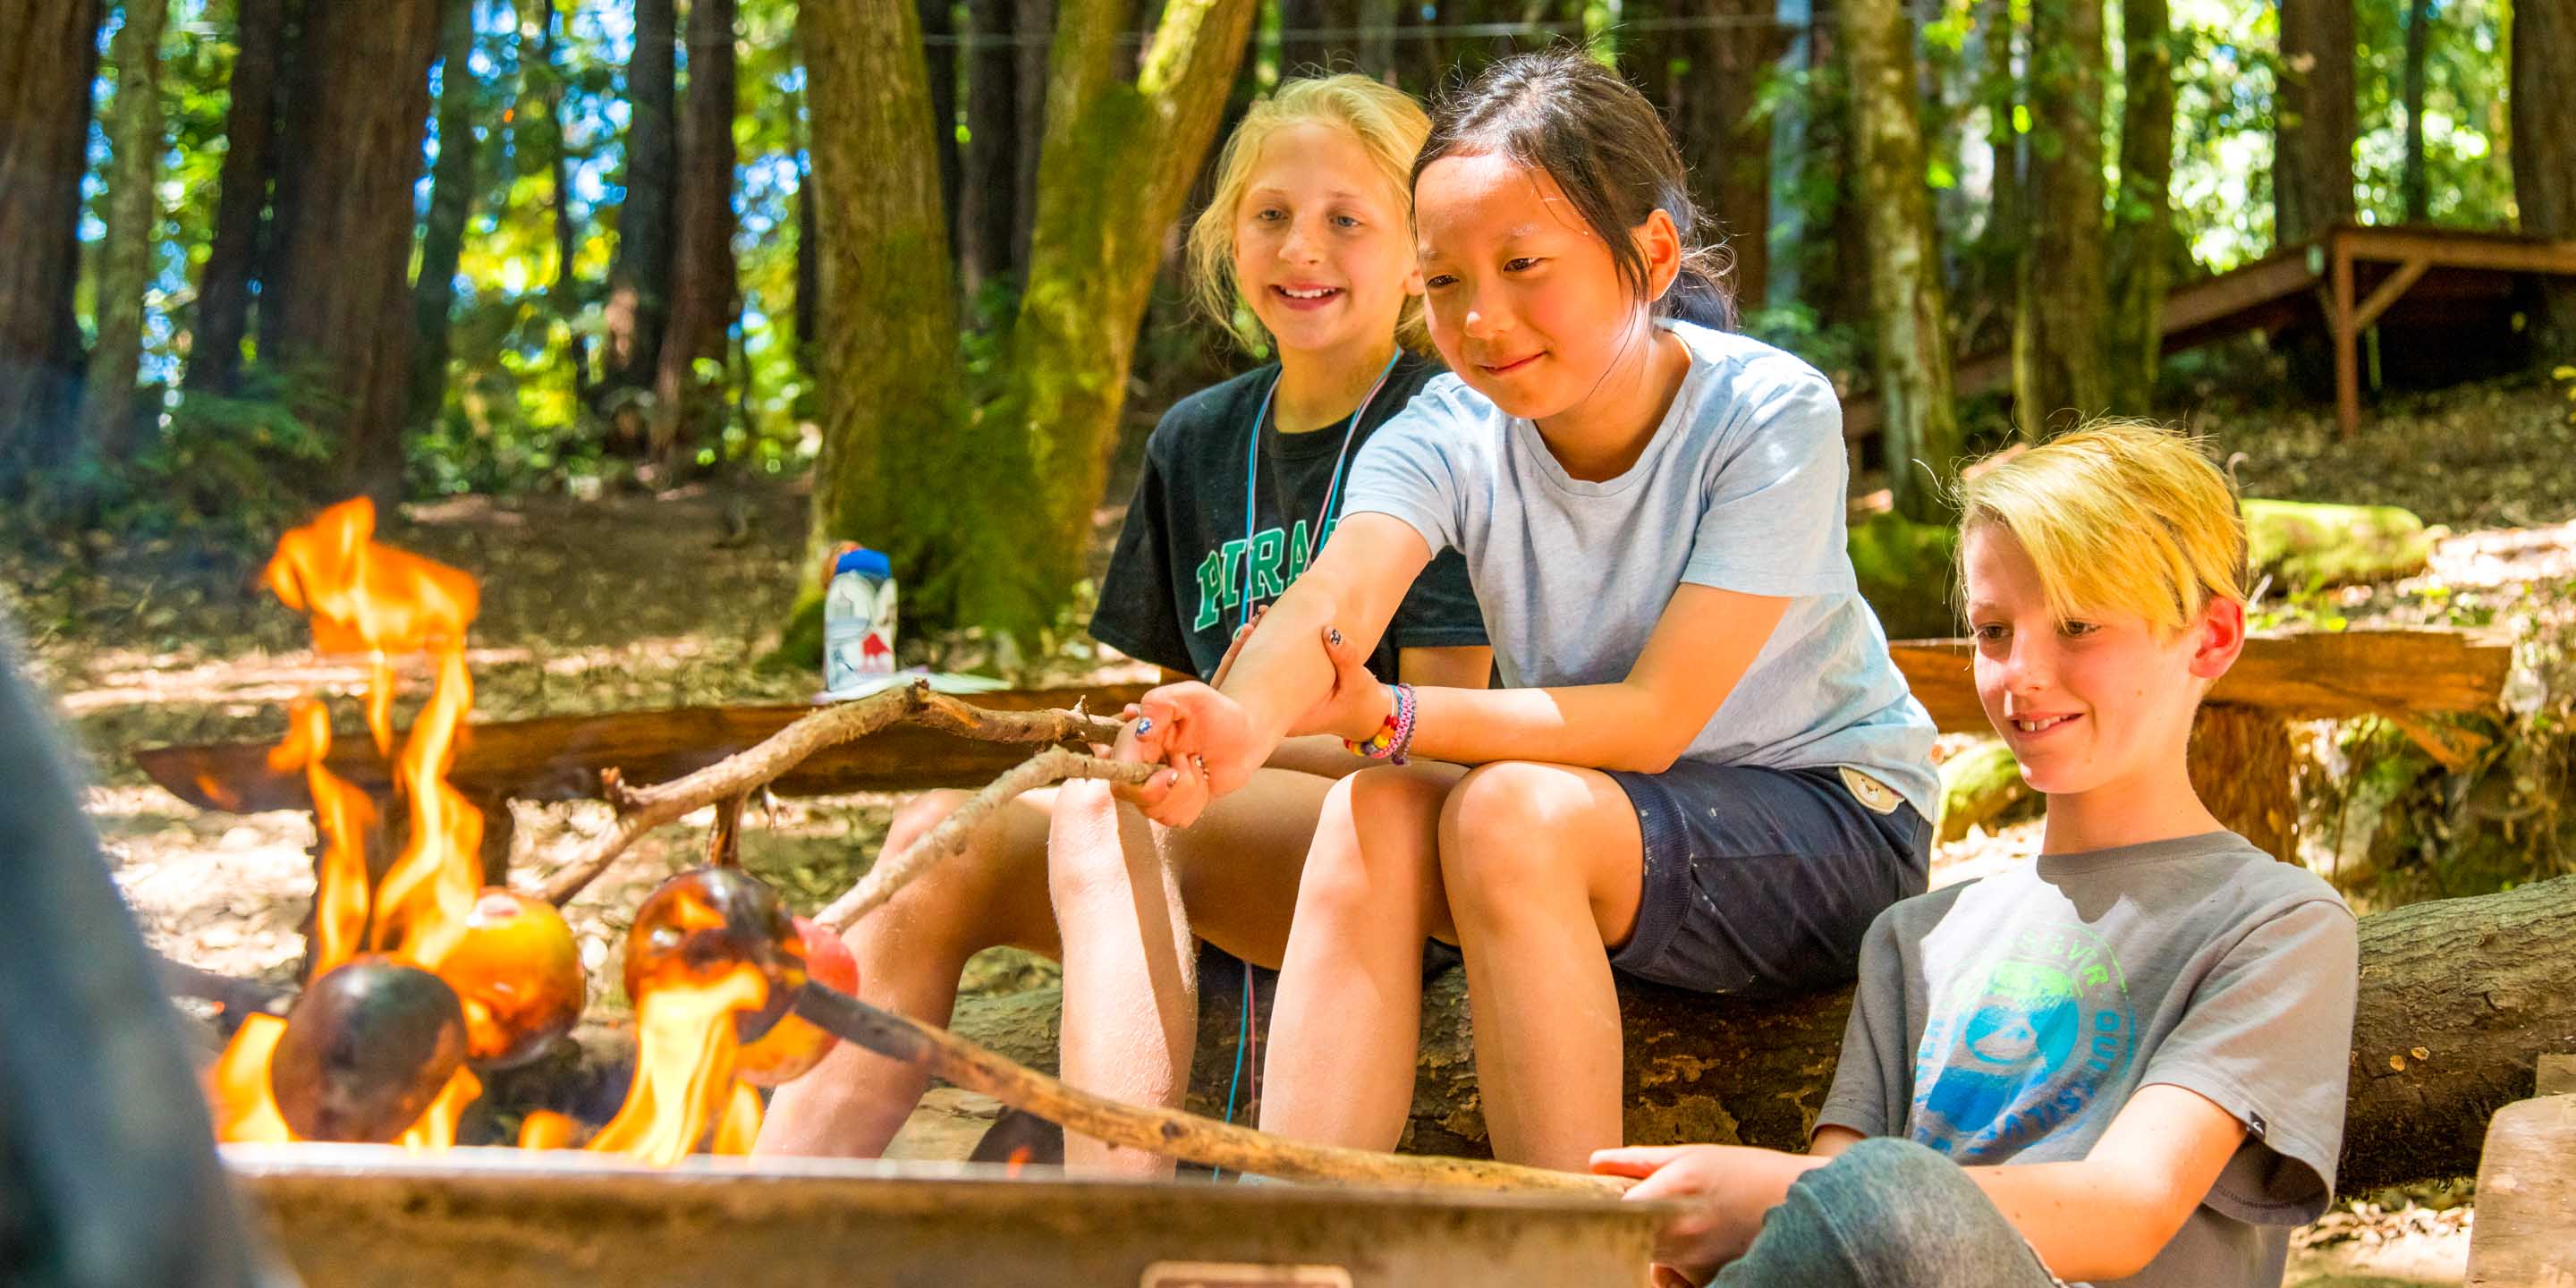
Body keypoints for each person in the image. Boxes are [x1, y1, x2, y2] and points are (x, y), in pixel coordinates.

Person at [1127, 47, 1938, 1173]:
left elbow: (1656, 720)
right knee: (1382, 811)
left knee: (1500, 812)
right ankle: (1295, 1234)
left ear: (1650, 255)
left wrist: (1393, 717)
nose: (1485, 317)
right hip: (1606, 822)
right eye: (1448, 281)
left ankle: (1563, 1247)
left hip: (1830, 816)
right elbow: (1336, 595)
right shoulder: (1448, 433)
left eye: (1523, 264)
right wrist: (1241, 721)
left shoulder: (1767, 411)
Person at [754, 74, 1490, 1171]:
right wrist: (1149, 751)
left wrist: (1210, 752)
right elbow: (1155, 702)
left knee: (1117, 815)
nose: (1303, 248)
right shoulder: (1192, 441)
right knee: (932, 837)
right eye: (1271, 215)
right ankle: (761, 1212)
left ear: (1419, 249)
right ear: (1225, 238)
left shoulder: (1445, 432)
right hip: (1215, 823)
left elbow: (1447, 732)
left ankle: (1115, 1224)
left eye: (1348, 219)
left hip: (1386, 835)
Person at [1592, 422, 2362, 1288]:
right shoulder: (1916, 937)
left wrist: (1774, 1192)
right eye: (1995, 632)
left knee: (1886, 1194)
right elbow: (1836, 1224)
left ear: (2212, 637)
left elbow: (2127, 1210)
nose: (2021, 673)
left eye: (2077, 625)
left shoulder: (2280, 925)